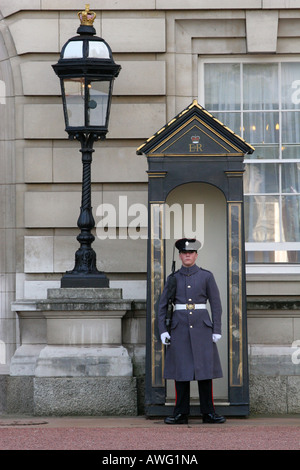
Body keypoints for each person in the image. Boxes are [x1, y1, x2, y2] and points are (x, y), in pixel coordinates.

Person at [158, 238, 226, 424]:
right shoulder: (173, 278)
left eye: (191, 252)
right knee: (181, 373)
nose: (187, 255)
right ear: (180, 255)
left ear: (196, 255)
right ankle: (180, 413)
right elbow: (162, 307)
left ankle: (208, 413)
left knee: (205, 373)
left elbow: (216, 305)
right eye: (184, 253)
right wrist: (163, 330)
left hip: (202, 329)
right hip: (179, 329)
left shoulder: (206, 276)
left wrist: (216, 328)